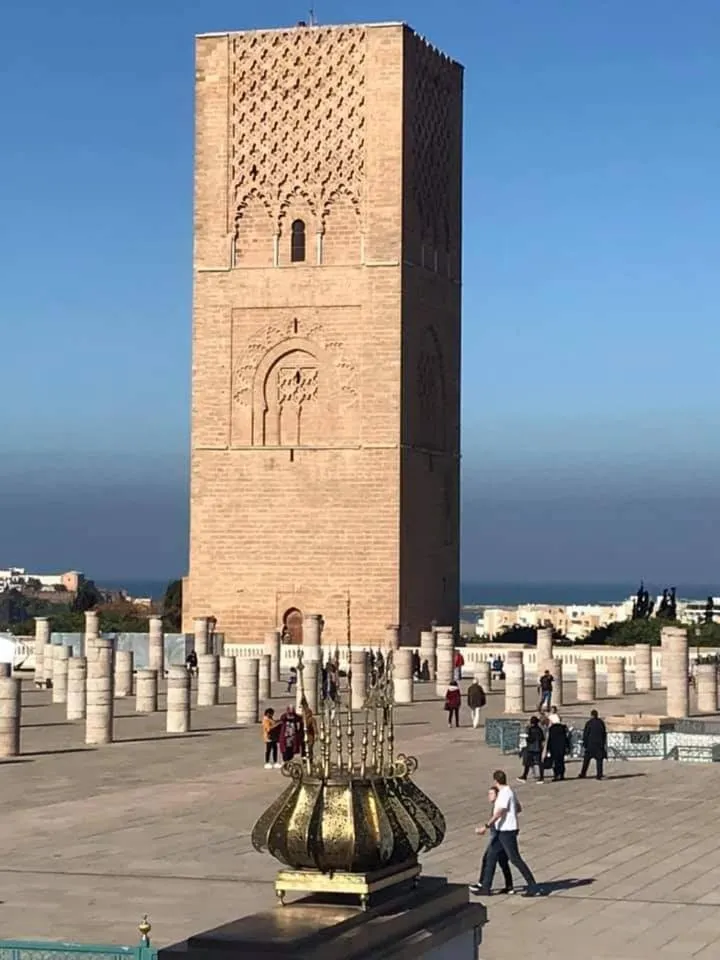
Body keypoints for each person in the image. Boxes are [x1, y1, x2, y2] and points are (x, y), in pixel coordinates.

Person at [470, 769, 538, 897]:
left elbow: (500, 812)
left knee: (515, 858)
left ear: (496, 781)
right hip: (504, 830)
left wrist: (486, 826)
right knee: (491, 856)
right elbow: (518, 808)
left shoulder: (504, 794)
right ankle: (486, 887)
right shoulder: (510, 791)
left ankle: (533, 886)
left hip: (507, 831)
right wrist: (511, 815)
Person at [476, 786, 514, 894]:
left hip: (499, 837)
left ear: (497, 796)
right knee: (502, 861)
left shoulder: (499, 806)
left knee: (488, 859)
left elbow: (497, 817)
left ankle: (484, 886)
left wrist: (484, 827)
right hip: (499, 836)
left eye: (491, 794)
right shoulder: (497, 805)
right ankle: (509, 886)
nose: (489, 796)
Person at [579, 709, 607, 780]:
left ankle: (583, 773)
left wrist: (585, 744)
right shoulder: (601, 723)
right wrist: (603, 743)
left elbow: (586, 734)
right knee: (599, 761)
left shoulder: (589, 723)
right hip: (599, 745)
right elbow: (604, 734)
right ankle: (599, 775)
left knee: (586, 761)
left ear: (591, 715)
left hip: (590, 745)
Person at [518, 715, 545, 783]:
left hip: (531, 748)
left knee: (527, 763)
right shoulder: (539, 729)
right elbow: (542, 738)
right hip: (538, 748)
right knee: (539, 763)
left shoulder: (530, 729)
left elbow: (530, 739)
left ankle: (524, 776)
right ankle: (541, 777)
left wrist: (526, 738)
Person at [546, 715, 569, 781]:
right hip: (562, 747)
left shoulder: (551, 729)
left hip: (554, 748)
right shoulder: (563, 728)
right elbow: (566, 738)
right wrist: (567, 747)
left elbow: (550, 739)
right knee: (561, 761)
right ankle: (561, 775)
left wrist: (548, 748)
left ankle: (556, 775)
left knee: (555, 762)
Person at [300, 697, 317, 763]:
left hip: (310, 736)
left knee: (309, 749)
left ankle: (310, 761)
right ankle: (304, 761)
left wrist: (316, 734)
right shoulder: (301, 719)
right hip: (302, 736)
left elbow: (314, 727)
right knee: (303, 749)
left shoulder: (312, 719)